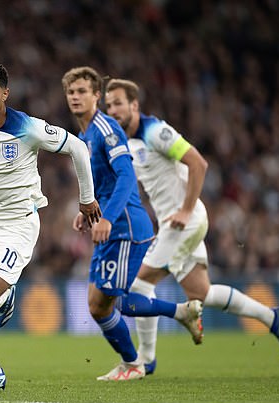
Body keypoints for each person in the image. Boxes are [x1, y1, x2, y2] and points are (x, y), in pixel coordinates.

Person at [0, 61, 102, 391]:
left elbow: (78, 148)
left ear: (5, 94)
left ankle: (5, 294)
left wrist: (86, 199)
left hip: (18, 225)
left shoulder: (27, 127)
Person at [104, 78, 279, 371]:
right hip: (174, 225)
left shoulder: (156, 131)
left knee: (137, 285)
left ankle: (145, 360)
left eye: (118, 103)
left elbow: (198, 163)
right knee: (201, 294)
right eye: (109, 105)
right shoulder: (127, 140)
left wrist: (186, 209)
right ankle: (273, 318)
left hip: (184, 222)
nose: (113, 109)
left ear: (134, 105)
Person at [62, 66, 205, 382]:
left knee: (122, 301)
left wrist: (108, 218)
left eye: (82, 91)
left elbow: (126, 175)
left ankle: (137, 361)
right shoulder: (85, 134)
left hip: (124, 226)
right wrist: (88, 208)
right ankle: (139, 354)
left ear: (97, 96)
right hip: (108, 224)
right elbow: (104, 179)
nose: (75, 97)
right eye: (71, 92)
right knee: (97, 306)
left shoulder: (106, 128)